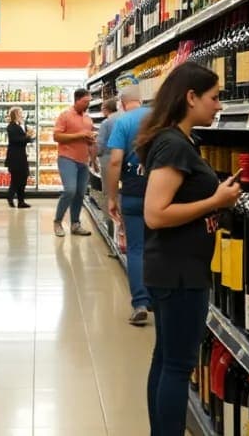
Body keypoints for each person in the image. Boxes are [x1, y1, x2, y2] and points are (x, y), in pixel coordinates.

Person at [135, 62, 240, 436]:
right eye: (215, 98)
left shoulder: (177, 140)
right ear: (190, 97)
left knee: (165, 358)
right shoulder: (173, 145)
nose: (220, 106)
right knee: (177, 365)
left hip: (174, 268)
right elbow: (156, 215)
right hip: (178, 271)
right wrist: (217, 200)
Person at [104, 86, 150, 325]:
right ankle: (158, 298)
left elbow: (114, 162)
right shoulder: (157, 117)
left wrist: (112, 197)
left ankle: (140, 302)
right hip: (160, 189)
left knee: (136, 248)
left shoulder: (122, 122)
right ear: (141, 100)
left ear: (121, 104)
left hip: (132, 189)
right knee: (158, 246)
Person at [52, 88, 96, 237]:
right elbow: (56, 136)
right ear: (76, 100)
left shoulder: (88, 119)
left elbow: (88, 142)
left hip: (83, 160)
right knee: (70, 190)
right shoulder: (65, 115)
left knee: (79, 193)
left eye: (89, 102)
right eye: (85, 102)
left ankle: (75, 224)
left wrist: (93, 159)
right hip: (67, 158)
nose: (88, 104)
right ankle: (57, 222)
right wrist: (79, 135)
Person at [5, 106, 33, 208]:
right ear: (16, 114)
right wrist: (28, 136)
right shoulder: (11, 126)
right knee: (17, 179)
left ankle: (20, 201)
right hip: (15, 157)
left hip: (21, 156)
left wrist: (29, 136)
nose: (23, 114)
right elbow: (17, 140)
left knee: (22, 178)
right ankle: (10, 196)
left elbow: (25, 140)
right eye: (21, 112)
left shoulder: (21, 125)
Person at [94, 97, 119, 176]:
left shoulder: (106, 123)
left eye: (102, 108)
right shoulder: (123, 119)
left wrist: (95, 155)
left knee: (108, 186)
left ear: (106, 109)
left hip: (107, 159)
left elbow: (100, 146)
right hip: (121, 158)